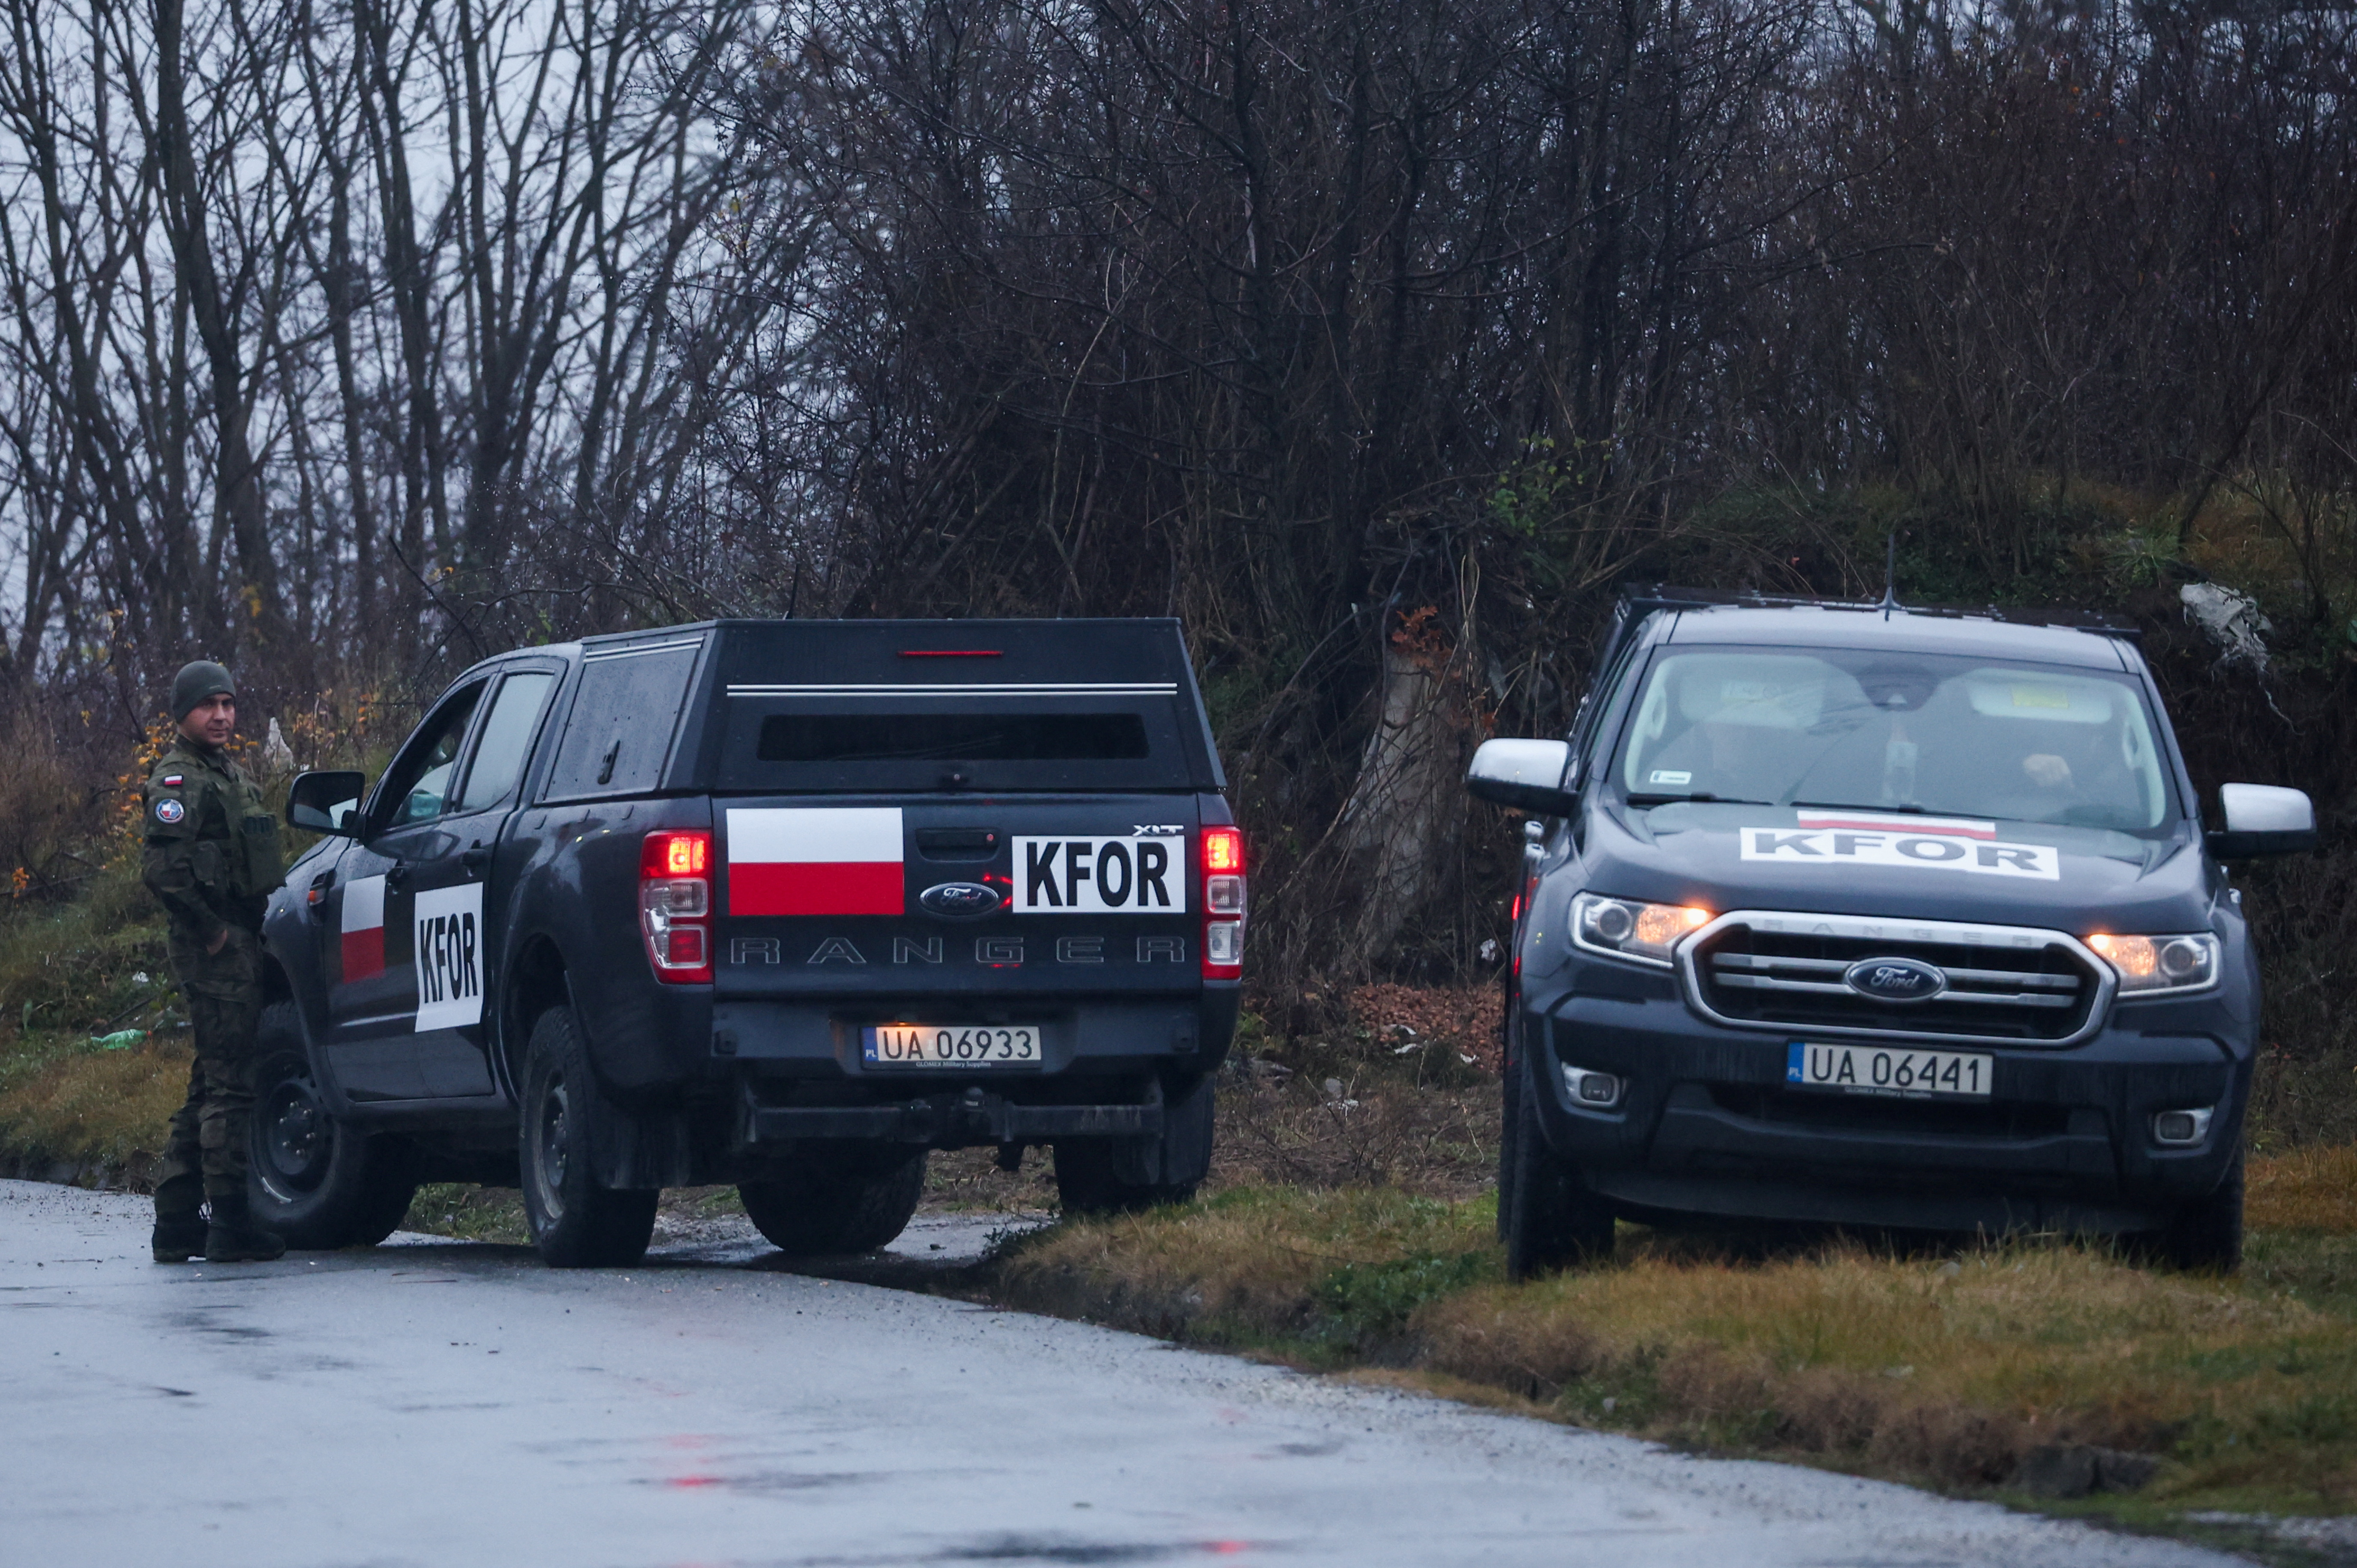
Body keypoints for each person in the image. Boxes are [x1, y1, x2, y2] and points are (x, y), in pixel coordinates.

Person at [143, 661, 286, 1263]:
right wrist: (214, 936)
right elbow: (163, 873)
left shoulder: (227, 772)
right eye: (209, 706)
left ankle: (177, 1218)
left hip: (241, 936)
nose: (222, 716)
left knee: (212, 1074)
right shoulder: (180, 780)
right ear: (183, 714)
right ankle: (230, 1220)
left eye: (228, 704)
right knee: (232, 1083)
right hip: (217, 945)